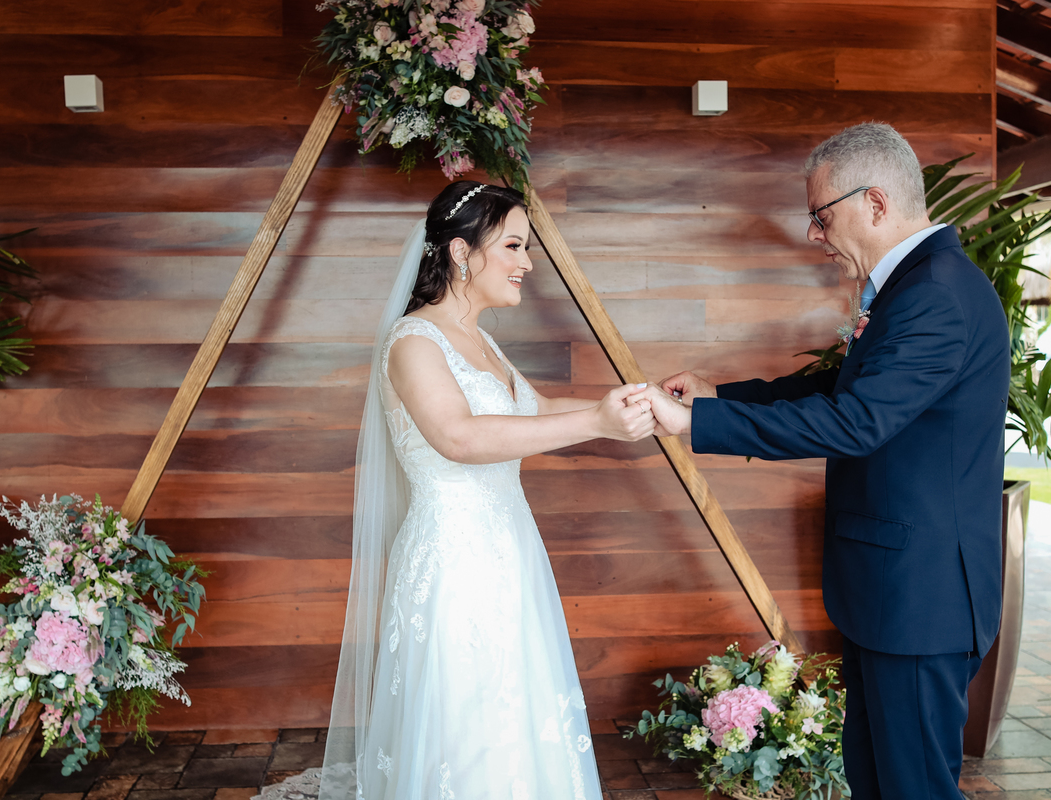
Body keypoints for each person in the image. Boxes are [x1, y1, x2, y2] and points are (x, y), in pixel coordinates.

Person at [643, 123, 1010, 800]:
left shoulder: (936, 294)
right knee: (876, 782)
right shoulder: (914, 287)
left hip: (921, 599)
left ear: (875, 203)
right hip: (892, 592)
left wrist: (699, 423)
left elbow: (857, 421)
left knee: (914, 789)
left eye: (821, 215)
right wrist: (720, 395)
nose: (814, 234)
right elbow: (843, 390)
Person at [319, 181, 656, 800]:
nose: (527, 262)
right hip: (453, 561)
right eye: (513, 246)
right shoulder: (413, 341)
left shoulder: (481, 340)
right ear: (461, 252)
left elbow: (535, 409)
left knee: (512, 717)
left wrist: (632, 406)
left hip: (510, 550)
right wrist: (596, 423)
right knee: (464, 723)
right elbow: (459, 437)